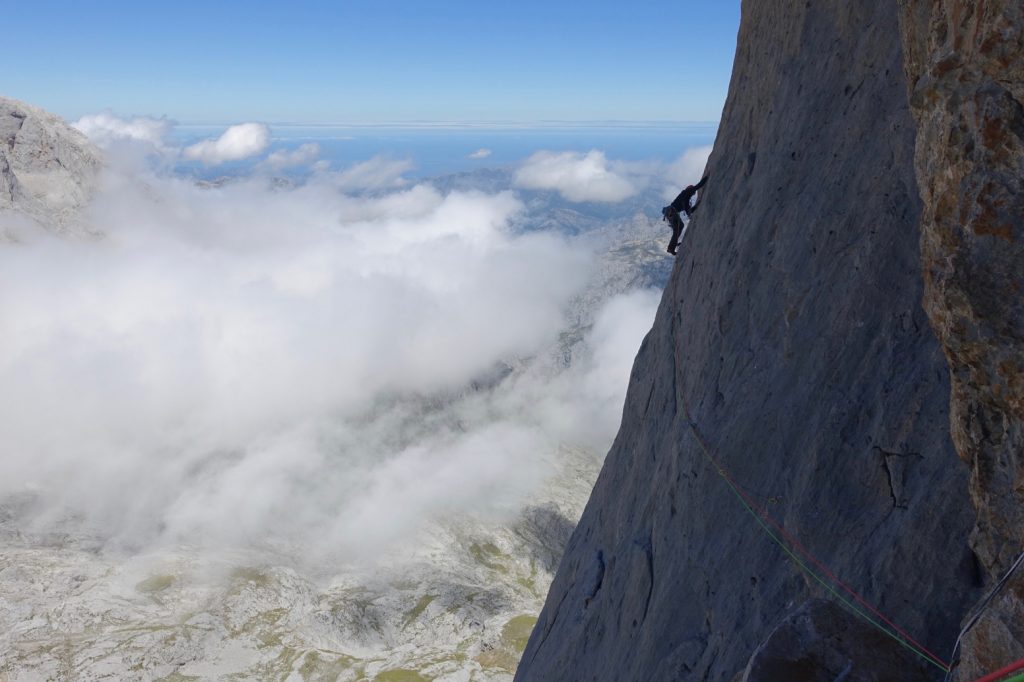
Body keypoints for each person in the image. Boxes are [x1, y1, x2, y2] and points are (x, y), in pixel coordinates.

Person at [662, 175, 709, 255]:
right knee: (678, 228)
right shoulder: (687, 193)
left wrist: (696, 206)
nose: (693, 194)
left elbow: (688, 209)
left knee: (679, 228)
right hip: (672, 212)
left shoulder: (684, 196)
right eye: (693, 192)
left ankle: (672, 245)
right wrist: (707, 177)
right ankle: (671, 248)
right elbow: (698, 185)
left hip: (670, 212)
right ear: (690, 189)